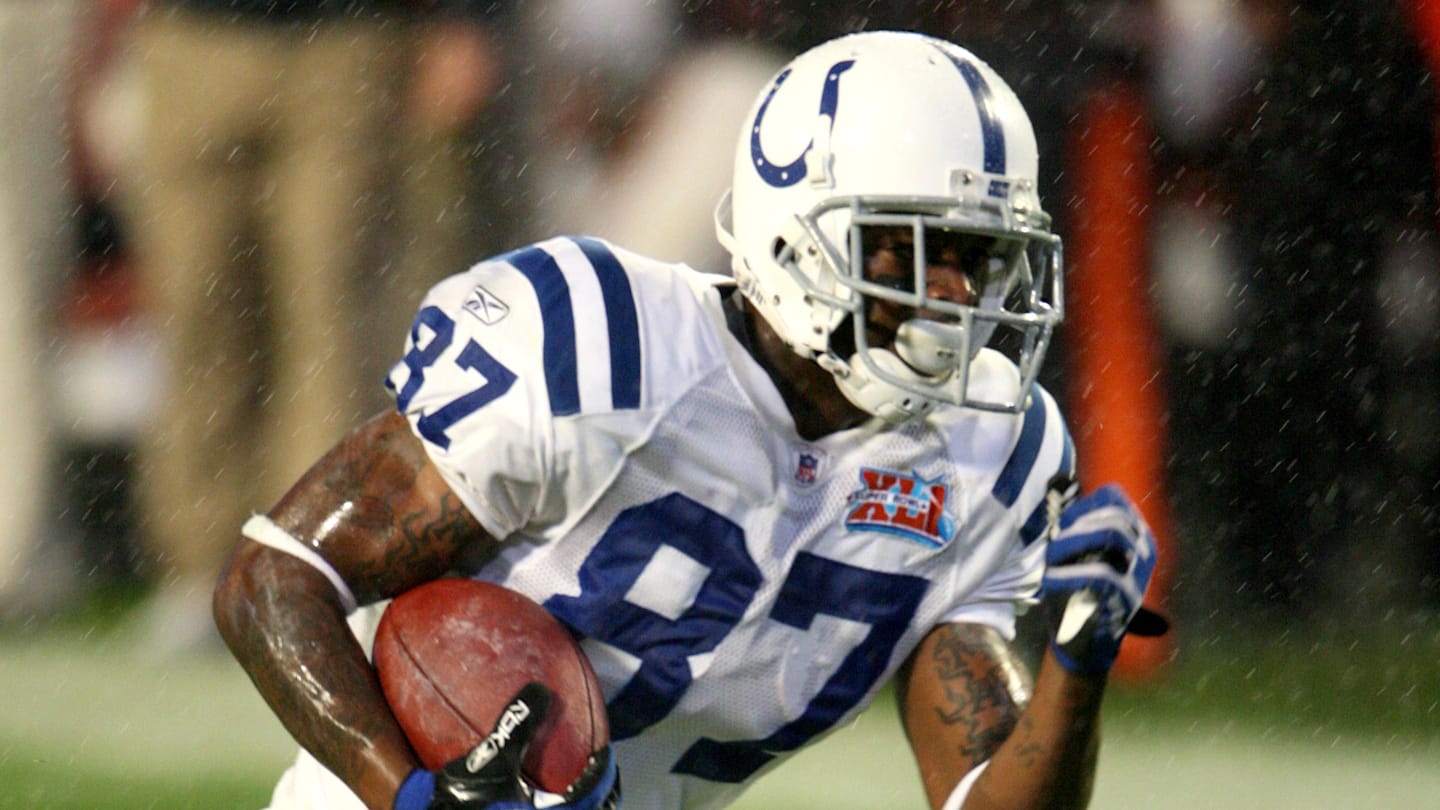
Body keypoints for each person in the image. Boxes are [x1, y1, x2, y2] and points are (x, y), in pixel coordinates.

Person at [214, 31, 1165, 810]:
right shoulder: (597, 345)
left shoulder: (994, 454)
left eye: (983, 258)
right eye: (914, 253)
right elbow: (277, 578)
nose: (955, 296)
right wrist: (411, 797)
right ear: (798, 230)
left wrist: (1075, 665)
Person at [113, 0, 505, 653]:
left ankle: (313, 569)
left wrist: (459, 18)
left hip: (347, 35)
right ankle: (197, 565)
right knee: (198, 312)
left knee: (332, 318)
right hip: (192, 35)